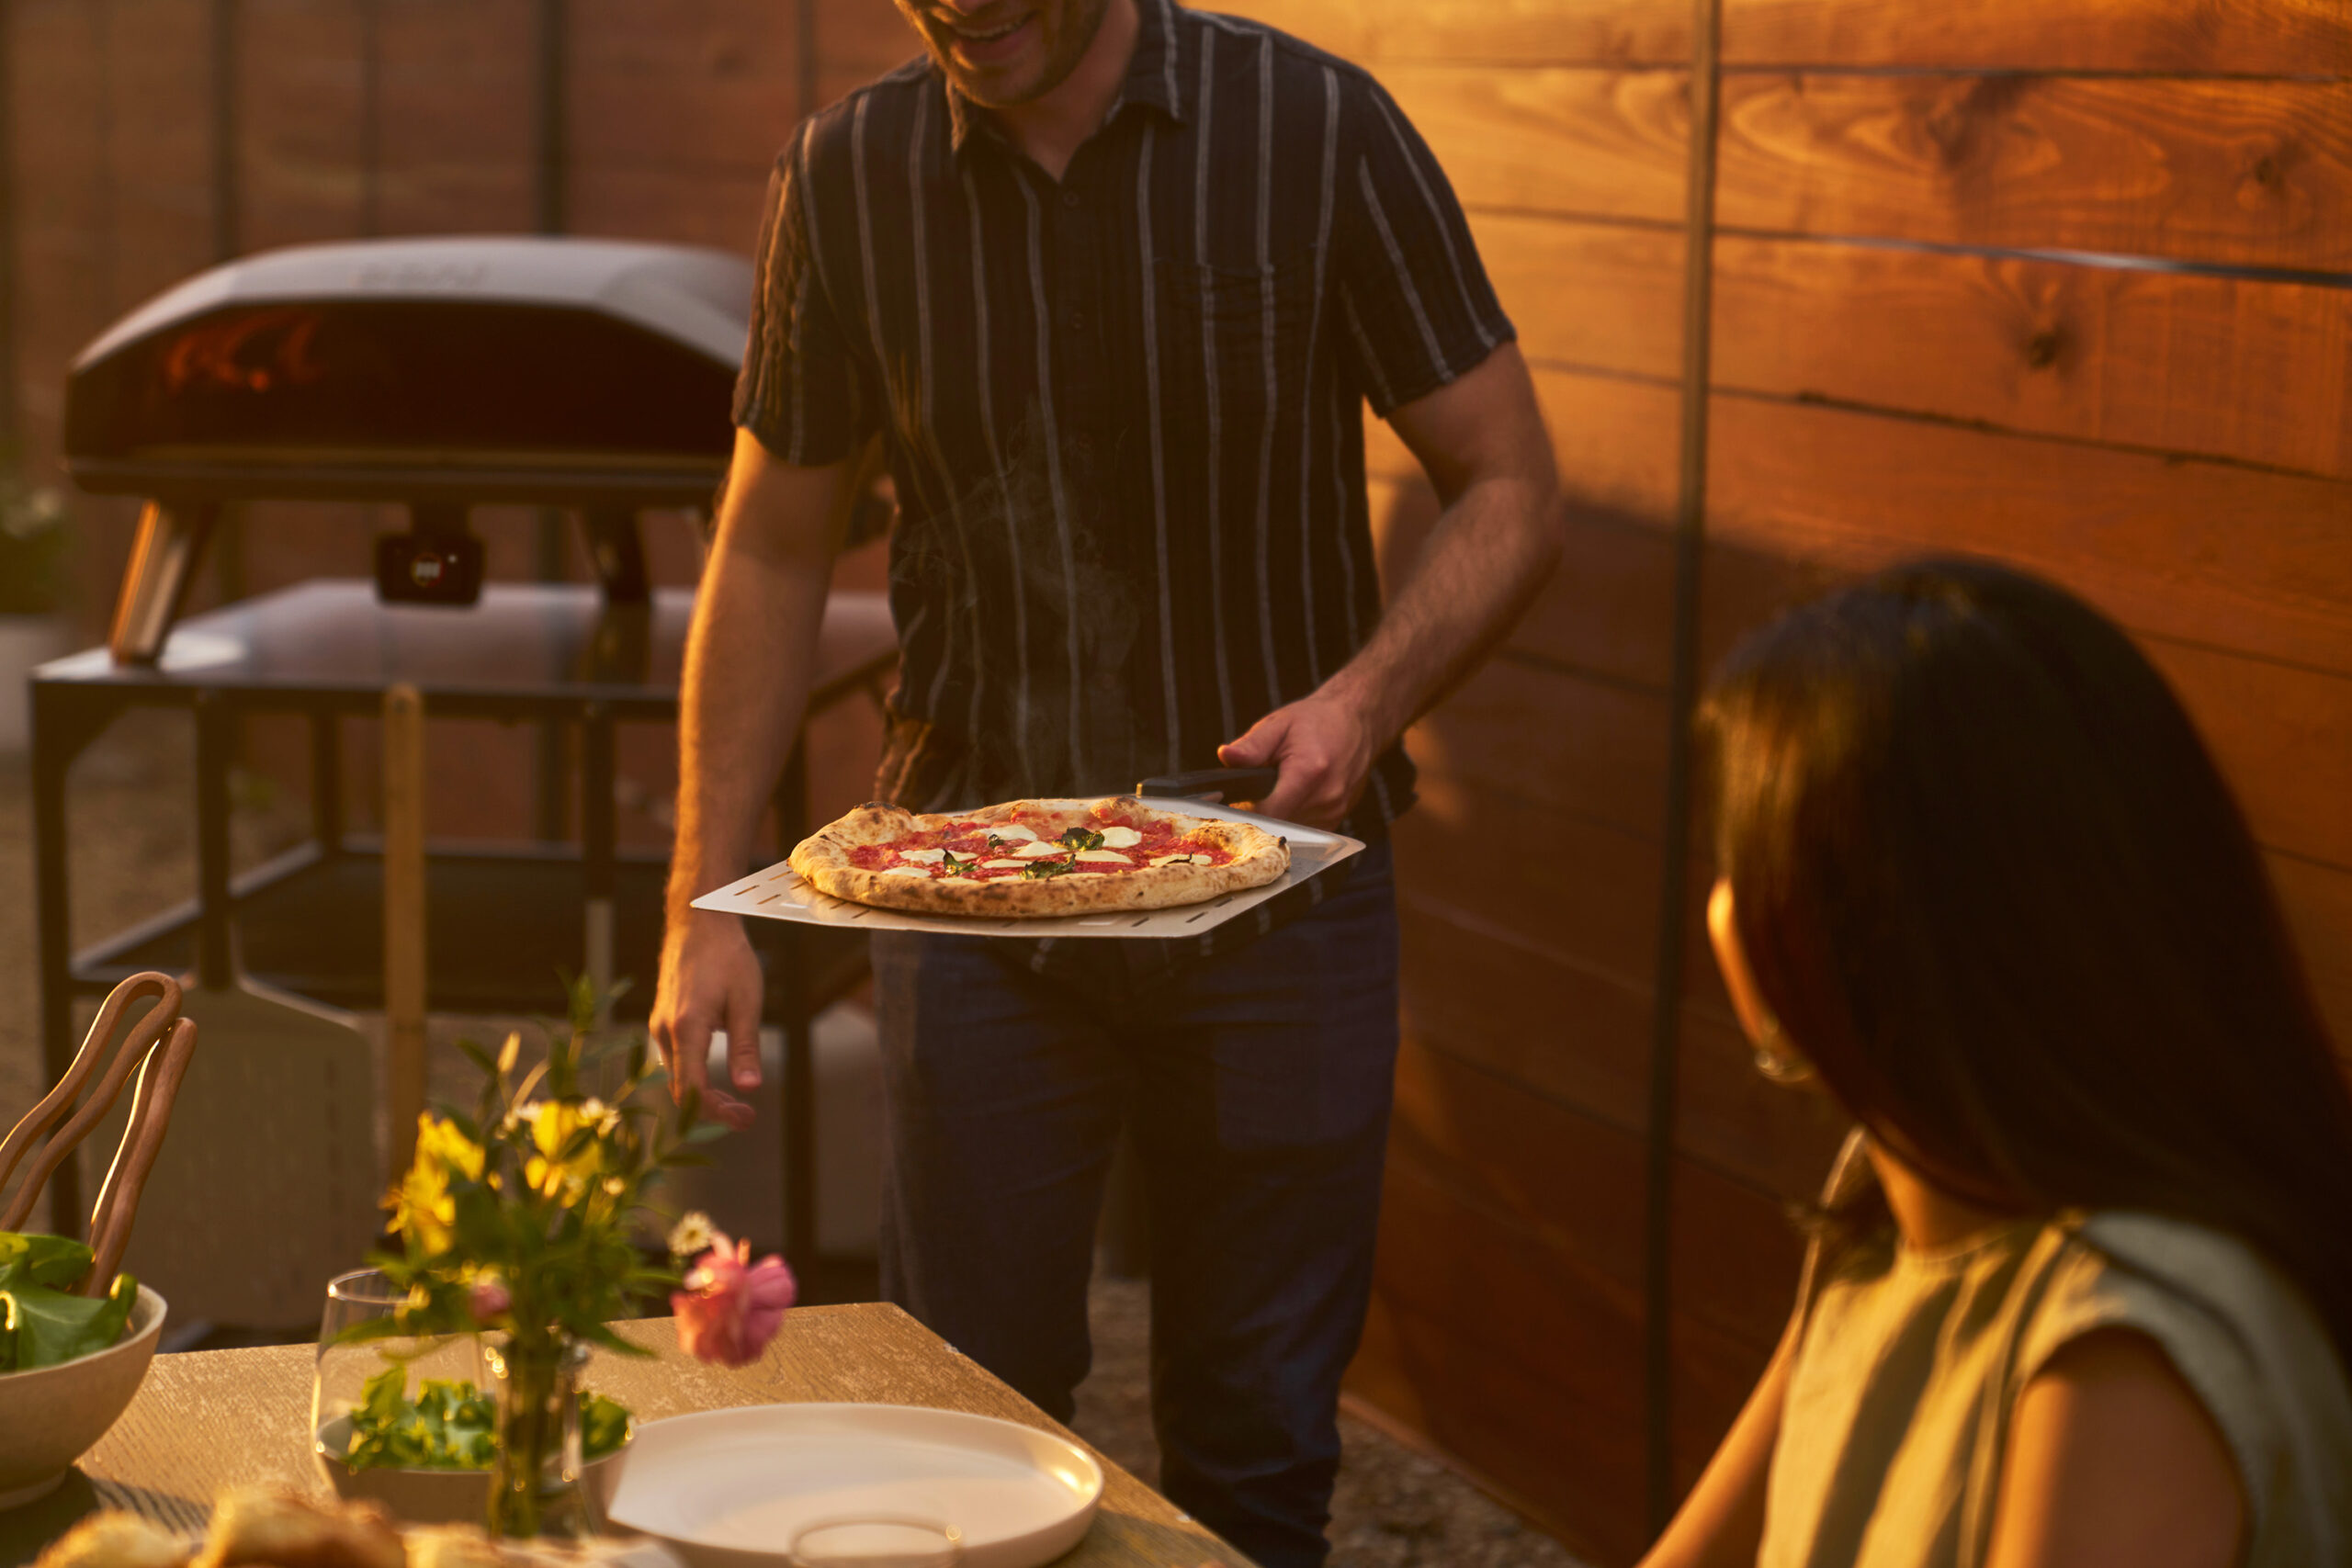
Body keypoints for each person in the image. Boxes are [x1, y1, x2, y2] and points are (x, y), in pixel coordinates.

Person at [650, 1, 1563, 1562]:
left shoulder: (1319, 128)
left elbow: (1513, 483)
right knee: (966, 1427)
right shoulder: (851, 174)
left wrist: (1367, 697)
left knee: (1261, 1440)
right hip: (967, 893)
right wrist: (700, 903)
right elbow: (772, 543)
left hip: (1282, 881)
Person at [1645, 559, 2352, 1568]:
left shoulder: (2119, 1356)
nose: (1718, 905)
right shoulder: (1893, 1194)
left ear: (1848, 932)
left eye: (1739, 860)